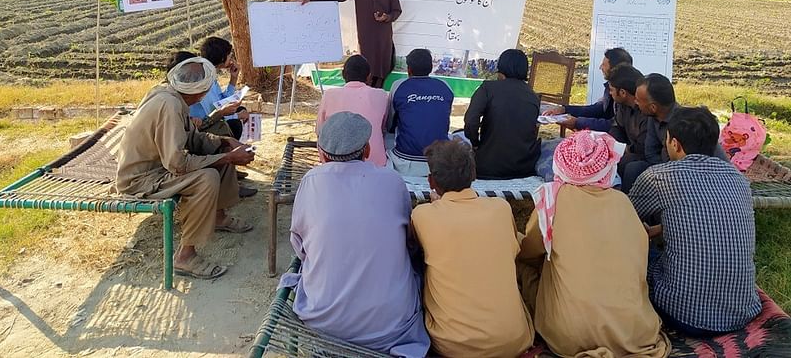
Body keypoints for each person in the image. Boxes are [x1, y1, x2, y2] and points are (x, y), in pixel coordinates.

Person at [280, 112, 430, 357]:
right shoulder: (392, 181)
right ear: (368, 149)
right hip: (389, 327)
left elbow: (300, 245)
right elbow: (407, 241)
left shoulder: (311, 180)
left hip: (323, 322)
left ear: (322, 153)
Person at [518, 131, 671, 358]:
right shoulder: (623, 203)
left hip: (570, 336)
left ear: (561, 165)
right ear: (607, 167)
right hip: (634, 331)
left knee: (522, 266)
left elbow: (529, 252)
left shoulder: (554, 202)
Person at [114, 57, 255, 280]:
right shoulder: (169, 106)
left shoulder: (171, 96)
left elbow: (190, 136)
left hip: (158, 167)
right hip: (141, 179)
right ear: (200, 94)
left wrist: (223, 143)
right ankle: (185, 256)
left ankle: (218, 217)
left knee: (221, 152)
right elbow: (177, 164)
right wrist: (226, 157)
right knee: (208, 176)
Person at [629, 106, 761, 337]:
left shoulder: (660, 176)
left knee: (639, 251)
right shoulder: (738, 180)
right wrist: (664, 228)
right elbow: (710, 221)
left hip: (684, 314)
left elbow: (623, 221)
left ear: (675, 144)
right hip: (741, 312)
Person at [411, 140, 534, 357]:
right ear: (474, 175)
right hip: (513, 340)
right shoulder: (501, 208)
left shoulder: (423, 216)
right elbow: (517, 251)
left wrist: (435, 206)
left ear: (431, 181)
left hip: (453, 345)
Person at [300, 0, 401, 88]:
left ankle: (376, 101)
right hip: (365, 41)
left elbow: (397, 11)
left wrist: (387, 17)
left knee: (381, 74)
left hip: (384, 40)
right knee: (365, 73)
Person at [623, 73, 729, 192]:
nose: (635, 103)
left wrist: (670, 176)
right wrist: (662, 172)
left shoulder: (689, 124)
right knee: (633, 167)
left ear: (653, 107)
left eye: (638, 100)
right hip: (664, 169)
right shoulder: (653, 118)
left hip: (693, 178)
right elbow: (650, 152)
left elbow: (720, 163)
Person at [464, 48, 541, 179]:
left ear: (501, 69)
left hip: (487, 167)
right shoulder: (533, 96)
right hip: (523, 168)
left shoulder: (488, 88)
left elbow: (471, 120)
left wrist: (475, 144)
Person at [387, 48, 454, 176]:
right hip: (439, 160)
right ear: (431, 67)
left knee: (386, 138)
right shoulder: (445, 86)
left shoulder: (398, 85)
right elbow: (443, 119)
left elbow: (390, 124)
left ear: (409, 69)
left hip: (405, 159)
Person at [316, 54, 389, 166]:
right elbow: (383, 128)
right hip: (374, 162)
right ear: (369, 76)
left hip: (333, 161)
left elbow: (320, 131)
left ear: (342, 74)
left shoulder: (329, 95)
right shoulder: (381, 95)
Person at [544, 47, 633, 132]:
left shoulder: (627, 95)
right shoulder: (612, 86)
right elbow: (600, 108)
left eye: (604, 65)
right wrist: (565, 110)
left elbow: (614, 125)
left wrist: (578, 122)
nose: (600, 67)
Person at [189, 36, 249, 141]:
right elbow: (211, 115)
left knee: (240, 110)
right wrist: (236, 116)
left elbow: (220, 101)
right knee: (235, 124)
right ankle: (227, 152)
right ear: (222, 59)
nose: (232, 60)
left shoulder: (210, 75)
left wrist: (233, 79)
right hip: (203, 127)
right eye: (230, 57)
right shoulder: (203, 80)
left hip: (210, 118)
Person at [606, 64, 648, 179]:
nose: (610, 93)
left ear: (623, 93)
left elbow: (644, 147)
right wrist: (614, 146)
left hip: (645, 157)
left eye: (612, 90)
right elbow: (617, 127)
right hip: (629, 150)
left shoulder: (646, 111)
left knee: (626, 164)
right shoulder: (622, 105)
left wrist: (623, 150)